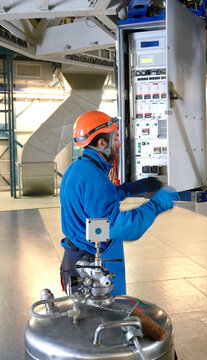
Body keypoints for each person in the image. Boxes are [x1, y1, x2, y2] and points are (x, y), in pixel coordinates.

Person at [60, 110, 179, 294]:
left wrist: (132, 188)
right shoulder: (95, 179)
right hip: (89, 267)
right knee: (104, 320)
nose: (119, 144)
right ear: (102, 143)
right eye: (115, 138)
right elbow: (120, 226)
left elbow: (96, 201)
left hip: (75, 259)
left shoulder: (78, 167)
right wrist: (157, 204)